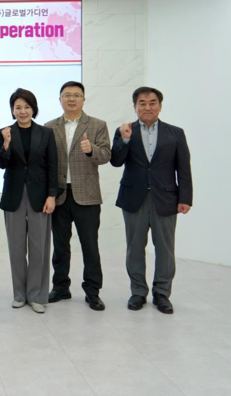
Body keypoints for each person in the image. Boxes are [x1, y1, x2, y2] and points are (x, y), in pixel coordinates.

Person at [111, 86, 192, 314]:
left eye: (152, 103)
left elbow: (183, 168)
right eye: (142, 103)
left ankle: (162, 293)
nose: (147, 107)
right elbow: (115, 161)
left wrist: (185, 198)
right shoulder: (125, 130)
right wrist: (125, 140)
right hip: (133, 198)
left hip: (165, 199)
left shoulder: (175, 133)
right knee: (134, 248)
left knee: (165, 249)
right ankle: (138, 292)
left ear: (160, 106)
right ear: (135, 106)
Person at [44, 81, 111, 311]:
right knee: (60, 246)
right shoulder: (49, 127)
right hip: (59, 195)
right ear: (60, 99)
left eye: (76, 95)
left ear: (83, 99)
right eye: (67, 95)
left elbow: (106, 155)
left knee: (90, 246)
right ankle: (60, 287)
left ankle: (92, 291)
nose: (71, 99)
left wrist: (92, 150)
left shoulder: (97, 125)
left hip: (87, 196)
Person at [0, 88, 58, 314]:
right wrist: (5, 144)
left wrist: (52, 195)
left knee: (39, 247)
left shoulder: (46, 133)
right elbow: (1, 164)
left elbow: (53, 165)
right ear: (12, 110)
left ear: (34, 109)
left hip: (40, 196)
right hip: (13, 195)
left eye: (27, 107)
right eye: (18, 107)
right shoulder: (5, 132)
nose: (22, 111)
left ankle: (37, 295)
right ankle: (19, 294)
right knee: (16, 247)